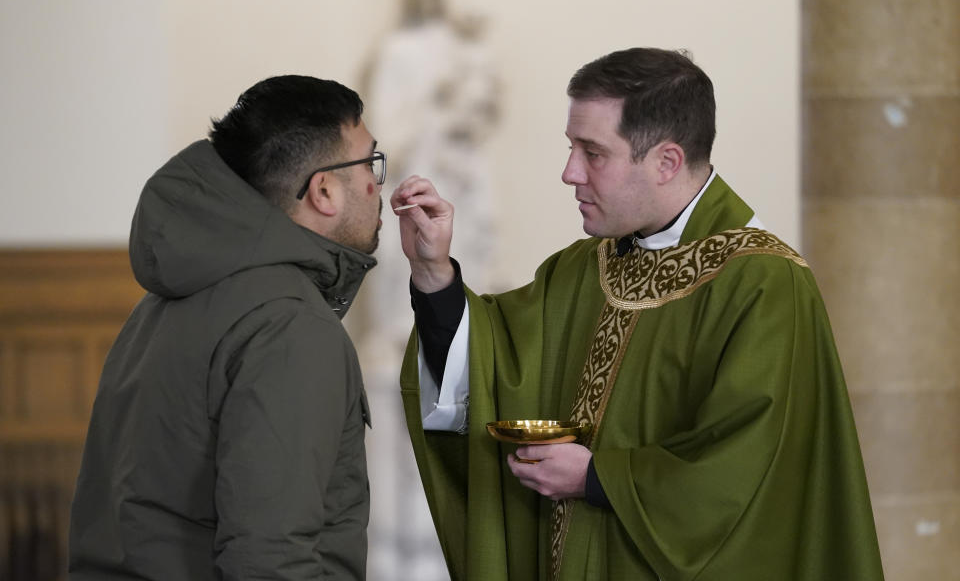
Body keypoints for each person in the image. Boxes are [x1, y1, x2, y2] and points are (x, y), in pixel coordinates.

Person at [390, 48, 884, 580]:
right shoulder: (585, 268)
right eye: (570, 148)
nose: (568, 172)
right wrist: (435, 274)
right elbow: (493, 365)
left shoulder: (764, 284)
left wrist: (598, 478)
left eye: (593, 153)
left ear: (666, 162)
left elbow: (754, 470)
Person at [69, 75, 384, 580]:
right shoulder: (289, 327)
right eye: (370, 163)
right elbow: (270, 559)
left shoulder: (163, 301)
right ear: (324, 190)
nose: (377, 183)